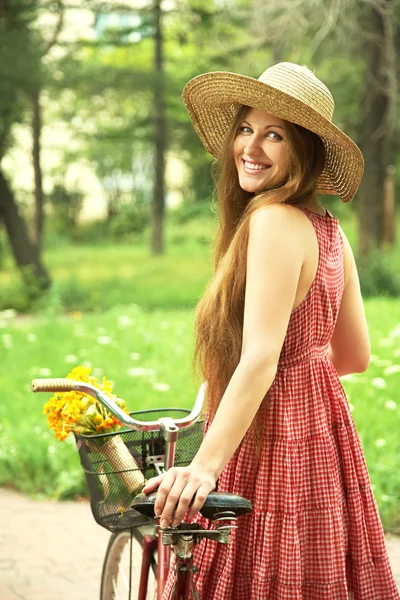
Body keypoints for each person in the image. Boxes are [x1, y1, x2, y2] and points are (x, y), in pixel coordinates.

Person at [143, 62, 399, 599]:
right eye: (245, 129)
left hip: (270, 437)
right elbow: (354, 357)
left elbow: (261, 355)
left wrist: (205, 466)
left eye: (274, 135)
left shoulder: (272, 221)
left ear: (302, 151)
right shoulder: (330, 233)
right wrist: (293, 370)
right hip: (321, 440)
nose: (251, 147)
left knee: (247, 571)